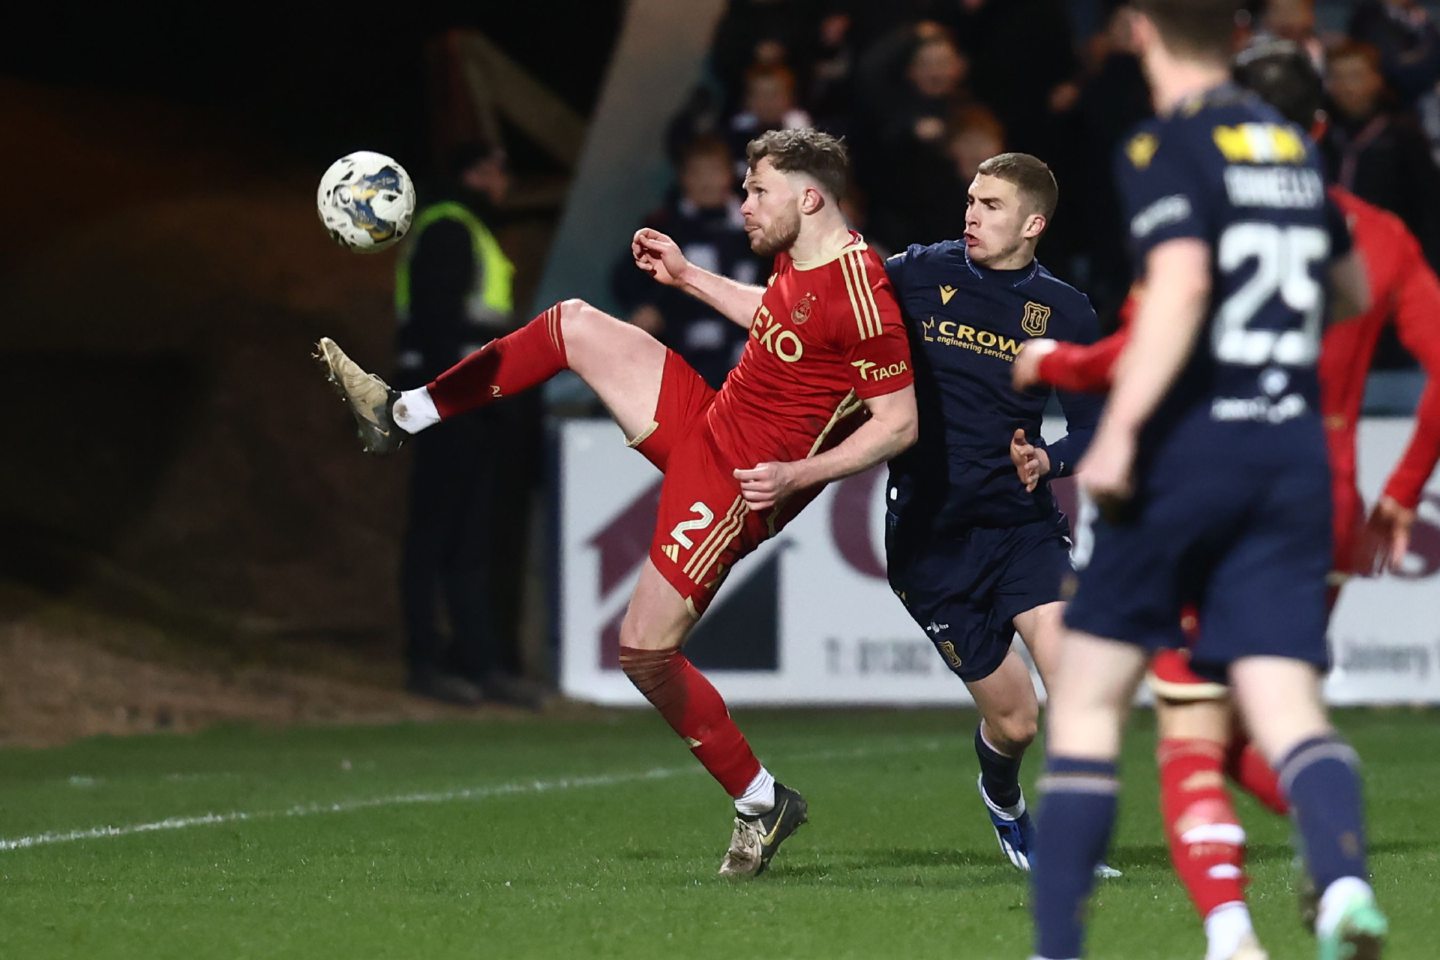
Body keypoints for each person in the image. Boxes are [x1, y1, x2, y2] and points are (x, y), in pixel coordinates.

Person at [315, 128, 919, 878]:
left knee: (642, 651)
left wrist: (798, 477)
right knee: (572, 323)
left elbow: (899, 422)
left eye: (758, 191)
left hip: (739, 482)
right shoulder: (805, 264)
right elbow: (782, 320)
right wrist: (688, 276)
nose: (745, 205)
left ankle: (762, 802)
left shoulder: (866, 296)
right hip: (708, 420)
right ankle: (401, 414)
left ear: (810, 196)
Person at [1016, 41, 1440, 960]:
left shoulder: (1197, 186)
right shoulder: (1373, 229)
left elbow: (1157, 326)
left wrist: (1059, 366)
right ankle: (1339, 873)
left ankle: (1229, 930)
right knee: (1276, 706)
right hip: (1317, 493)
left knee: (1184, 726)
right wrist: (1403, 488)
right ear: (1320, 127)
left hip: (1202, 470)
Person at [882, 152, 1109, 876]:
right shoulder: (916, 272)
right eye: (971, 200)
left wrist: (1049, 462)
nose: (972, 214)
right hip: (931, 539)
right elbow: (825, 304)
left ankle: (1070, 851)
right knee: (1017, 720)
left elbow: (1094, 427)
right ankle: (1004, 799)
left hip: (1020, 527)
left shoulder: (1067, 310)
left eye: (991, 205)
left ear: (1033, 224)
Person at [391, 140, 543, 708]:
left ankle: (477, 664)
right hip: (449, 409)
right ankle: (426, 661)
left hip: (469, 409)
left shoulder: (463, 229)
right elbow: (439, 332)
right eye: (499, 172)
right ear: (478, 174)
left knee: (465, 538)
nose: (506, 185)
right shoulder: (450, 230)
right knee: (439, 535)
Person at [612, 135, 766, 388]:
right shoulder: (664, 227)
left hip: (747, 352)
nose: (707, 181)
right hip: (686, 353)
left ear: (731, 174)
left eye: (714, 171)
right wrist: (651, 308)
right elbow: (625, 279)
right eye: (697, 173)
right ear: (683, 178)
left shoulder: (757, 225)